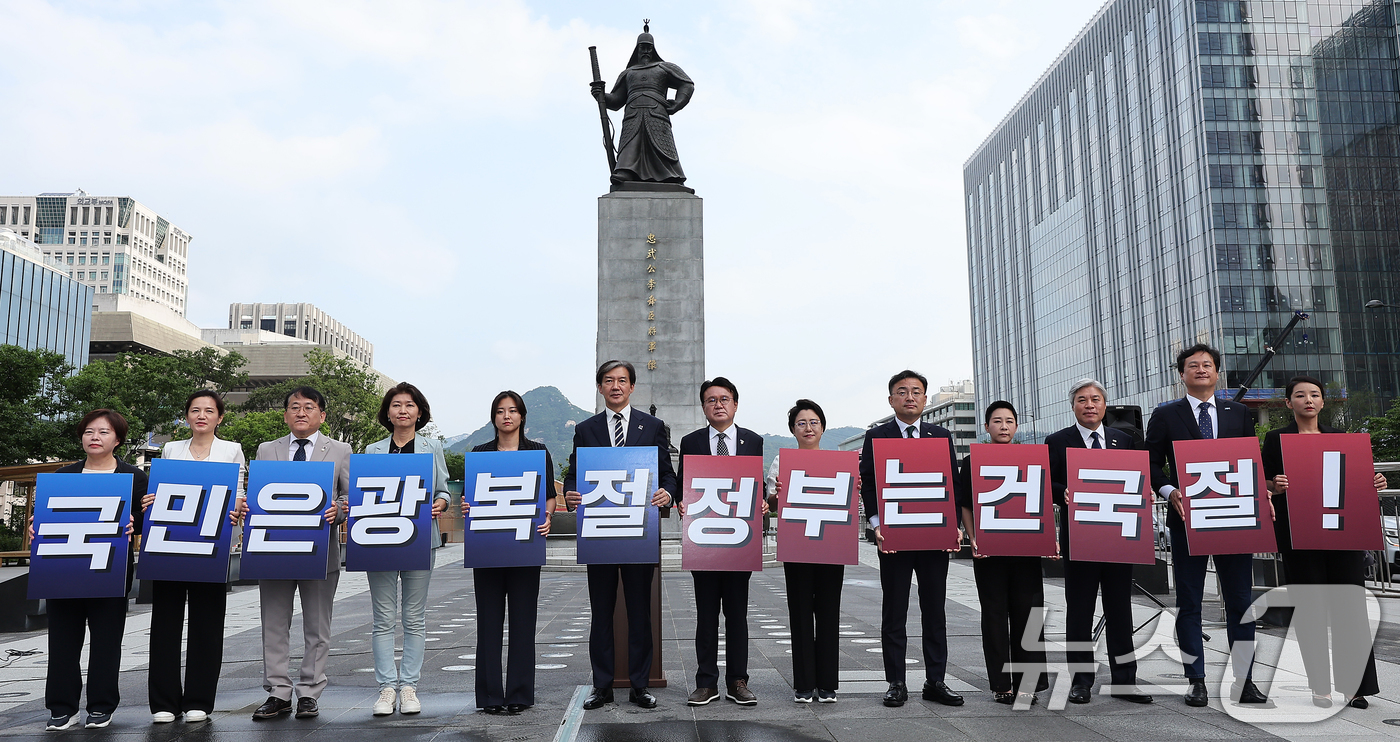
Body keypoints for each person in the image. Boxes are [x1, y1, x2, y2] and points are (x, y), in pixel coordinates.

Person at [1144, 344, 1267, 707]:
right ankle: (1195, 679)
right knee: (1190, 600)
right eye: (1193, 366)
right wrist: (1169, 491)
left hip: (1234, 518)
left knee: (1240, 601)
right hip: (1186, 519)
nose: (1201, 370)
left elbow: (1250, 462)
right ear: (1181, 374)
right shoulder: (1166, 414)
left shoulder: (1238, 413)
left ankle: (1245, 680)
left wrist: (1263, 500)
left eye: (1208, 365)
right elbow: (1151, 464)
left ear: (1217, 372)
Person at [1262, 375, 1388, 709]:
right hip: (1299, 534)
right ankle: (1319, 686)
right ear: (1289, 403)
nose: (1308, 400)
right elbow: (1265, 482)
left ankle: (1355, 685)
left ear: (1322, 401)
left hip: (1341, 532)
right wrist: (1275, 484)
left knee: (1350, 606)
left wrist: (1374, 479)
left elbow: (1356, 478)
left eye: (1314, 395)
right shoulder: (1276, 439)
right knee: (1310, 608)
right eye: (1300, 395)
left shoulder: (1339, 437)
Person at [563, 360, 677, 710]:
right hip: (599, 534)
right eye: (608, 381)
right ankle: (602, 685)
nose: (615, 386)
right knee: (601, 610)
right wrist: (570, 494)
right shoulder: (586, 429)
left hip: (640, 533)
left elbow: (668, 475)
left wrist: (667, 494)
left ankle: (640, 685)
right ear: (600, 388)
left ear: (632, 387)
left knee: (639, 611)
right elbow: (573, 473)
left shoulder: (653, 426)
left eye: (622, 381)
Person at [240, 387, 350, 721]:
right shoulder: (266, 449)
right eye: (294, 407)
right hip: (273, 550)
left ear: (322, 415)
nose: (301, 413)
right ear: (286, 414)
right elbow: (256, 492)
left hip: (320, 551)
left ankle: (310, 691)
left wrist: (340, 510)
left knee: (318, 626)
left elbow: (351, 496)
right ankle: (278, 692)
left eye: (309, 407)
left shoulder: (341, 450)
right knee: (273, 624)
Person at [859, 370, 964, 708]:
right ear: (891, 400)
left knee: (935, 610)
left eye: (916, 392)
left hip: (933, 537)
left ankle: (936, 680)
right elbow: (869, 483)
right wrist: (876, 524)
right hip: (894, 536)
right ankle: (897, 682)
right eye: (902, 392)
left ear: (923, 399)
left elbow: (950, 484)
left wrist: (954, 526)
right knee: (895, 611)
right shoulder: (876, 436)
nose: (910, 397)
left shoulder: (940, 435)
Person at [1045, 381, 1152, 705]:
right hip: (1080, 539)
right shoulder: (1057, 441)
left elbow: (1139, 478)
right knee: (1079, 612)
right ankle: (1081, 681)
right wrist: (1060, 491)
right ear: (1073, 406)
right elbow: (1045, 480)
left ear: (1105, 405)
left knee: (1120, 611)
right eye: (1082, 400)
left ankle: (1125, 681)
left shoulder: (1125, 440)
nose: (1089, 405)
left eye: (1095, 399)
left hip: (1118, 539)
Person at [143, 391, 247, 724]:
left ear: (219, 417)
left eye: (209, 411)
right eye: (194, 410)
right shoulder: (171, 449)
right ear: (187, 416)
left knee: (207, 623)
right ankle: (163, 702)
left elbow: (239, 492)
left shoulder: (231, 450)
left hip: (210, 548)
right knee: (164, 624)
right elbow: (162, 493)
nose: (201, 415)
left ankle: (199, 699)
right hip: (171, 546)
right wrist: (150, 501)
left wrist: (238, 509)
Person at [41, 410, 145, 731]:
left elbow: (145, 520)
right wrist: (36, 528)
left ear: (117, 439)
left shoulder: (134, 477)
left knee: (105, 640)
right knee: (62, 640)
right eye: (89, 431)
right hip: (64, 568)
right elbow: (49, 518)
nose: (95, 437)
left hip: (110, 569)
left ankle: (101, 705)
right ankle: (62, 706)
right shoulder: (63, 474)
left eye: (103, 432)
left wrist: (134, 523)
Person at [362, 382, 452, 716]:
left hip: (420, 540)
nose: (403, 410)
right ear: (388, 412)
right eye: (396, 404)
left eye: (410, 405)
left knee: (414, 618)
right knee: (382, 619)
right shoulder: (372, 450)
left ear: (420, 412)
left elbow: (444, 490)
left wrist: (439, 504)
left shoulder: (432, 448)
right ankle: (387, 688)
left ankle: (409, 686)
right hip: (379, 540)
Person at [675, 377, 766, 707]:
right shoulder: (692, 441)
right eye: (711, 400)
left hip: (740, 542)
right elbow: (683, 483)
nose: (718, 404)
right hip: (705, 542)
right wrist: (679, 501)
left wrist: (763, 503)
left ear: (735, 404)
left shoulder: (753, 441)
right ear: (703, 407)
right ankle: (706, 682)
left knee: (738, 615)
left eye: (724, 399)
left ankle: (738, 681)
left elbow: (756, 488)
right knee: (706, 614)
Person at [465, 390, 556, 715]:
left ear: (522, 417)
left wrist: (546, 517)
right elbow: (468, 499)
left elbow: (548, 496)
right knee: (488, 623)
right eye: (501, 411)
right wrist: (465, 506)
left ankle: (519, 692)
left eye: (513, 410)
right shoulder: (480, 452)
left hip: (525, 546)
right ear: (494, 417)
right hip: (488, 547)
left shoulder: (537, 452)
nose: (507, 416)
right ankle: (490, 695)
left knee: (523, 621)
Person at [956, 401, 1051, 705]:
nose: (1004, 426)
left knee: (1030, 615)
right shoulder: (973, 461)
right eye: (997, 421)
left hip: (1026, 550)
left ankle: (1029, 684)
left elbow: (1042, 502)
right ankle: (1001, 684)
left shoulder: (1032, 458)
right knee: (995, 615)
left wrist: (1051, 539)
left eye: (1009, 421)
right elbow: (966, 504)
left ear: (1017, 426)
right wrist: (973, 538)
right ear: (986, 427)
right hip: (990, 552)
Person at [766, 399, 843, 704]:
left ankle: (826, 683)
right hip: (797, 544)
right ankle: (803, 683)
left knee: (828, 613)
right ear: (792, 430)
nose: (808, 428)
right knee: (799, 613)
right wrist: (777, 495)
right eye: (801, 423)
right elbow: (771, 505)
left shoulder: (837, 461)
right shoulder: (781, 462)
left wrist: (855, 486)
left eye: (813, 422)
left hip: (831, 545)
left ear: (823, 427)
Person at [590, 23, 694, 185]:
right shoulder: (628, 73)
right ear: (636, 49)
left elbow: (686, 84)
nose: (645, 51)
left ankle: (670, 176)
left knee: (661, 145)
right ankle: (625, 171)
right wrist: (601, 95)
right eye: (642, 48)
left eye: (648, 48)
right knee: (631, 143)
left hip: (657, 113)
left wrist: (678, 103)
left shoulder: (664, 68)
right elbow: (616, 100)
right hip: (633, 114)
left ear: (653, 49)